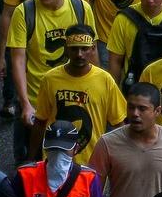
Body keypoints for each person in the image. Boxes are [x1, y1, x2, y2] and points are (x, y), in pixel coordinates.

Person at [88, 82, 162, 197]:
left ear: (157, 111)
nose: (135, 114)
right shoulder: (107, 143)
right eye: (131, 107)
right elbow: (92, 193)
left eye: (142, 109)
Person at [31, 24, 125, 162]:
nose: (79, 54)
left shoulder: (105, 80)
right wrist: (32, 159)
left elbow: (118, 125)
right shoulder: (50, 79)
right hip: (54, 162)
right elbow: (40, 121)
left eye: (84, 49)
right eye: (74, 49)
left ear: (93, 49)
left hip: (92, 165)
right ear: (66, 49)